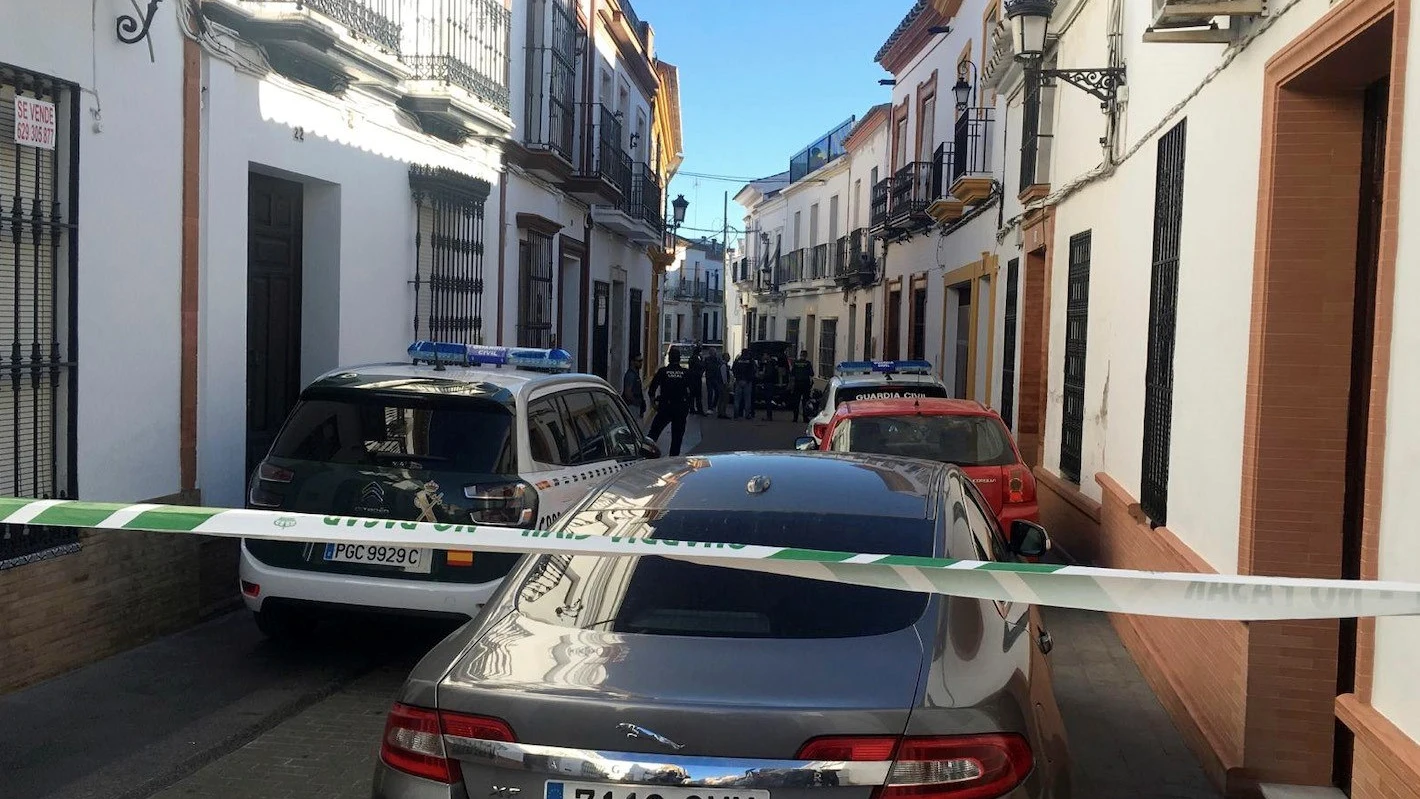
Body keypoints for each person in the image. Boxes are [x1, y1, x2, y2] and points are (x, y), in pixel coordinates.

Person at [647, 350, 694, 456]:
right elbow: (692, 390)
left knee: (653, 433)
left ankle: (646, 455)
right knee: (677, 438)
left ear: (669, 358)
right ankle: (673, 461)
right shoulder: (685, 373)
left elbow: (652, 389)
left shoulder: (663, 371)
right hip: (680, 407)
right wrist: (688, 405)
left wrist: (653, 403)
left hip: (665, 407)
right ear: (679, 359)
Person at [789, 349, 815, 424]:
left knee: (796, 401)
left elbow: (792, 373)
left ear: (800, 355)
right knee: (805, 402)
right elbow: (812, 374)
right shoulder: (808, 363)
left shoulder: (796, 363)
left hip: (797, 384)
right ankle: (805, 418)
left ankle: (795, 417)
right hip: (805, 384)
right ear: (806, 356)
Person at [732, 351, 756, 420]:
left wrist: (738, 378)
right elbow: (753, 371)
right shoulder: (751, 361)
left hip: (738, 381)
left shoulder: (737, 360)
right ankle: (747, 414)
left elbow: (734, 369)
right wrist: (748, 380)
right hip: (747, 382)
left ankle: (736, 414)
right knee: (747, 399)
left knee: (737, 399)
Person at [622, 353, 646, 420]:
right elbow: (627, 393)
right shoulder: (630, 375)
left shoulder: (635, 374)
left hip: (635, 406)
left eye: (641, 361)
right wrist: (636, 402)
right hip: (632, 406)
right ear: (632, 362)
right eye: (639, 361)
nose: (641, 363)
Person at [759, 352, 782, 422]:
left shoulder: (769, 363)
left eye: (764, 355)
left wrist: (762, 375)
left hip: (768, 383)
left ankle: (769, 416)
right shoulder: (772, 363)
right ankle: (769, 416)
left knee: (768, 400)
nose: (763, 356)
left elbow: (769, 374)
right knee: (768, 400)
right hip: (771, 383)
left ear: (768, 355)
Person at [704, 350, 726, 417]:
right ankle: (710, 408)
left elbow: (720, 365)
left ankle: (714, 405)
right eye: (712, 353)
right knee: (710, 393)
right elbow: (704, 367)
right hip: (709, 378)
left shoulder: (717, 359)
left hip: (715, 378)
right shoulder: (707, 359)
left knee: (717, 392)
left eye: (714, 353)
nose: (713, 354)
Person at [687, 346, 706, 416]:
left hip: (692, 378)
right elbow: (701, 365)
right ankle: (699, 409)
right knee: (698, 395)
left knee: (692, 395)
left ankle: (692, 408)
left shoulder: (692, 358)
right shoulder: (697, 358)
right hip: (696, 378)